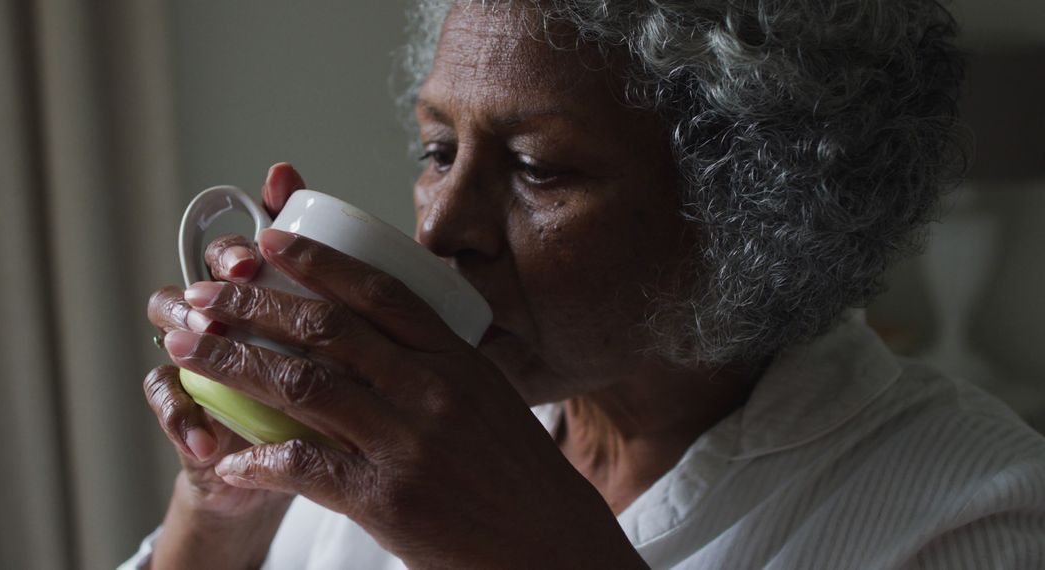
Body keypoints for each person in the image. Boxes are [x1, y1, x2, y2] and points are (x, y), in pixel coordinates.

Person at [124, 1, 1045, 568]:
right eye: (437, 150)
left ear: (750, 206)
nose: (442, 226)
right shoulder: (381, 417)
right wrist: (220, 515)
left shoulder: (975, 510)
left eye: (539, 168)